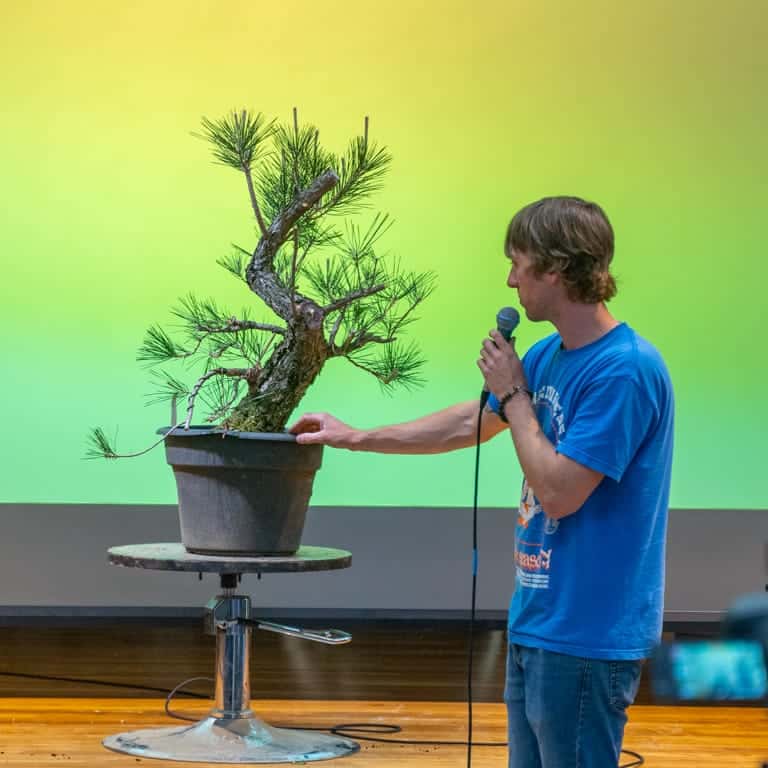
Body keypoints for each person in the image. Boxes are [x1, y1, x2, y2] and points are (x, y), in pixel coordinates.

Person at [289, 196, 674, 768]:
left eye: (519, 263)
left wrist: (515, 394)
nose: (510, 278)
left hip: (588, 634)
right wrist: (358, 435)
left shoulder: (625, 370)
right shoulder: (548, 355)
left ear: (556, 268)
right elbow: (471, 421)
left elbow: (560, 493)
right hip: (538, 621)